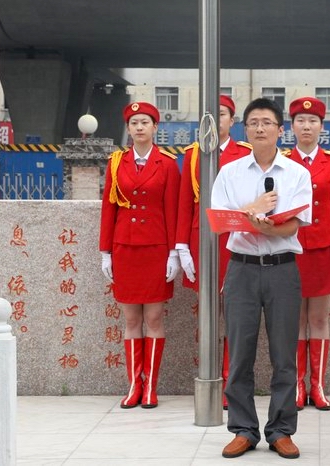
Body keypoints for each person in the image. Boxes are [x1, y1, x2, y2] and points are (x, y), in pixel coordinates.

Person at [211, 98, 312, 459]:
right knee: (240, 353)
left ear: (280, 130)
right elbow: (219, 221)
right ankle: (243, 429)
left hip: (283, 269)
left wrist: (266, 227)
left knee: (284, 355)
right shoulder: (230, 172)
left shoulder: (297, 173)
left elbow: (294, 224)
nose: (259, 128)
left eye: (267, 122)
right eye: (253, 122)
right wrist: (253, 210)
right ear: (245, 129)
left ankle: (281, 430)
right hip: (241, 269)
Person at [99, 102, 181, 408]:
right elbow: (109, 209)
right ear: (128, 129)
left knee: (154, 317)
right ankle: (134, 385)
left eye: (145, 122)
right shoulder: (116, 163)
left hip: (156, 249)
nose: (139, 127)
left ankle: (151, 388)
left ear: (155, 127)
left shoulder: (168, 164)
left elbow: (173, 210)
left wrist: (174, 253)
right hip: (125, 249)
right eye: (134, 123)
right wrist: (105, 252)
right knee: (131, 318)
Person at [174, 95, 252, 410]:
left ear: (232, 120)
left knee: (234, 316)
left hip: (236, 241)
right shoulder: (193, 154)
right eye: (210, 114)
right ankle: (208, 376)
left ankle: (230, 381)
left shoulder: (244, 153)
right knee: (208, 314)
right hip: (202, 242)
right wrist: (181, 246)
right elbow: (184, 203)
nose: (216, 120)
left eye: (221, 114)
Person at [285, 97, 330, 411]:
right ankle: (298, 385)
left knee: (319, 319)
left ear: (321, 127)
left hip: (324, 250)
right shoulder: (283, 162)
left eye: (312, 121)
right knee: (296, 319)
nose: (306, 126)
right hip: (292, 248)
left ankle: (318, 386)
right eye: (300, 121)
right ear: (292, 126)